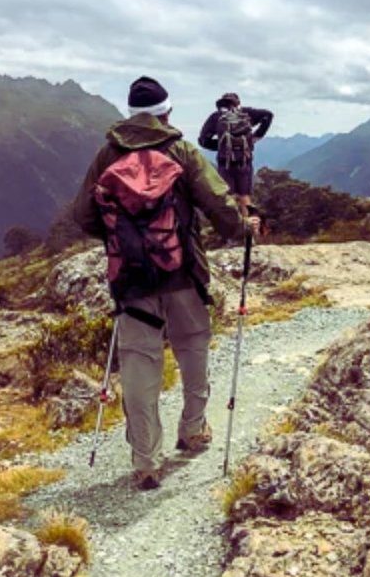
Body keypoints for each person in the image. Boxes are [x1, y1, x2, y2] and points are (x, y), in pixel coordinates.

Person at [71, 76, 258, 490]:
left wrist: (123, 240)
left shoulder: (108, 154)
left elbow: (83, 215)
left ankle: (146, 460)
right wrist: (243, 226)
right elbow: (217, 204)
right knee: (192, 346)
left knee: (139, 360)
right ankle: (192, 430)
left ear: (131, 114)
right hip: (182, 271)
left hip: (132, 280)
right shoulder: (182, 151)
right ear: (166, 112)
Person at [198, 92, 273, 217]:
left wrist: (221, 146)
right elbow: (268, 115)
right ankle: (250, 233)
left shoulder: (216, 117)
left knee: (229, 198)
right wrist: (256, 137)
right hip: (244, 162)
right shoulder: (247, 113)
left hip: (225, 163)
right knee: (245, 198)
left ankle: (233, 231)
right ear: (237, 103)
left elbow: (203, 140)